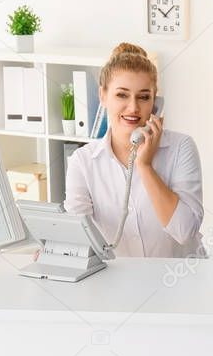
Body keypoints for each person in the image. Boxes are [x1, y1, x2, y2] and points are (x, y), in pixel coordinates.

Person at [64, 42, 204, 257]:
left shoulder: (181, 148)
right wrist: (55, 248)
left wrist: (144, 166)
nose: (133, 108)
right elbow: (78, 238)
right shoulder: (83, 162)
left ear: (155, 102)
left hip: (182, 282)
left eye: (143, 96)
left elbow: (185, 231)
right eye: (122, 95)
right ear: (103, 96)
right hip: (119, 283)